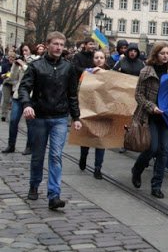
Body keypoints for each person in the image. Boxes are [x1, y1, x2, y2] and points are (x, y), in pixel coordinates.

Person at [19, 31, 82, 210]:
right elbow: (24, 88)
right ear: (47, 45)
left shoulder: (68, 68)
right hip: (39, 117)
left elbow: (72, 94)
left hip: (60, 118)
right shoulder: (36, 66)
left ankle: (54, 195)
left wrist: (76, 117)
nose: (58, 48)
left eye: (61, 45)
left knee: (55, 155)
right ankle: (34, 184)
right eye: (55, 44)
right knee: (38, 156)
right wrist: (26, 105)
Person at [131, 42, 168, 199]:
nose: (165, 56)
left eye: (167, 53)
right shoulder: (146, 71)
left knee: (164, 151)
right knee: (152, 148)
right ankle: (137, 169)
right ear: (155, 54)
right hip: (149, 116)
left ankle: (156, 185)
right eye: (162, 53)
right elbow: (138, 95)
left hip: (166, 117)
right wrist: (151, 107)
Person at [78, 50, 110, 180]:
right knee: (87, 138)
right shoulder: (86, 73)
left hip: (102, 111)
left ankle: (98, 168)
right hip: (88, 109)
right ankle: (83, 156)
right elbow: (80, 88)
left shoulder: (109, 74)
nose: (99, 59)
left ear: (105, 60)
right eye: (96, 57)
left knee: (100, 141)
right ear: (93, 59)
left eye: (101, 57)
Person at [1, 44, 39, 154]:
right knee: (13, 121)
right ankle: (11, 145)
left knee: (30, 123)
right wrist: (15, 66)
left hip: (31, 95)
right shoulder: (20, 61)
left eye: (26, 50)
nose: (24, 53)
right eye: (23, 51)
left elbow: (32, 73)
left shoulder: (37, 61)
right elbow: (13, 78)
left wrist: (23, 64)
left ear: (31, 50)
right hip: (18, 95)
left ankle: (29, 146)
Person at [1, 52, 15, 121]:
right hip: (6, 84)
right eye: (10, 57)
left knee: (14, 101)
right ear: (8, 58)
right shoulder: (4, 65)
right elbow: (2, 76)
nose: (11, 58)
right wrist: (8, 74)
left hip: (14, 85)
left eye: (13, 57)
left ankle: (14, 116)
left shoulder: (17, 66)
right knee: (6, 100)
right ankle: (3, 115)